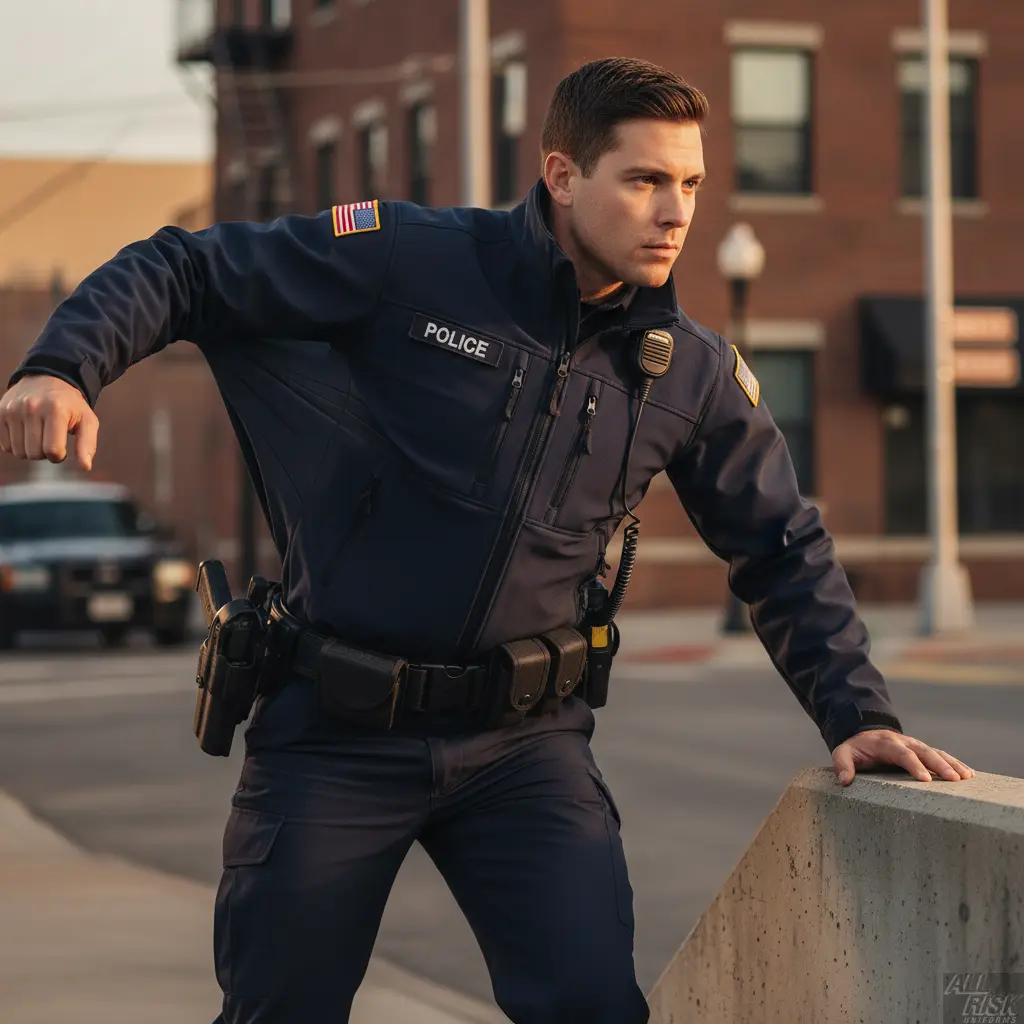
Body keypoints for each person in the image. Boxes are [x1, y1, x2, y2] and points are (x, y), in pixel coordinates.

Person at [0, 57, 974, 1024]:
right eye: (642, 180)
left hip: (521, 749)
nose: (674, 211)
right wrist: (62, 367)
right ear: (561, 176)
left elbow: (780, 544)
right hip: (338, 731)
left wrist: (855, 711)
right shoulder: (410, 260)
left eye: (688, 184)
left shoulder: (688, 375)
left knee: (590, 1004)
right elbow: (187, 268)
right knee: (278, 1008)